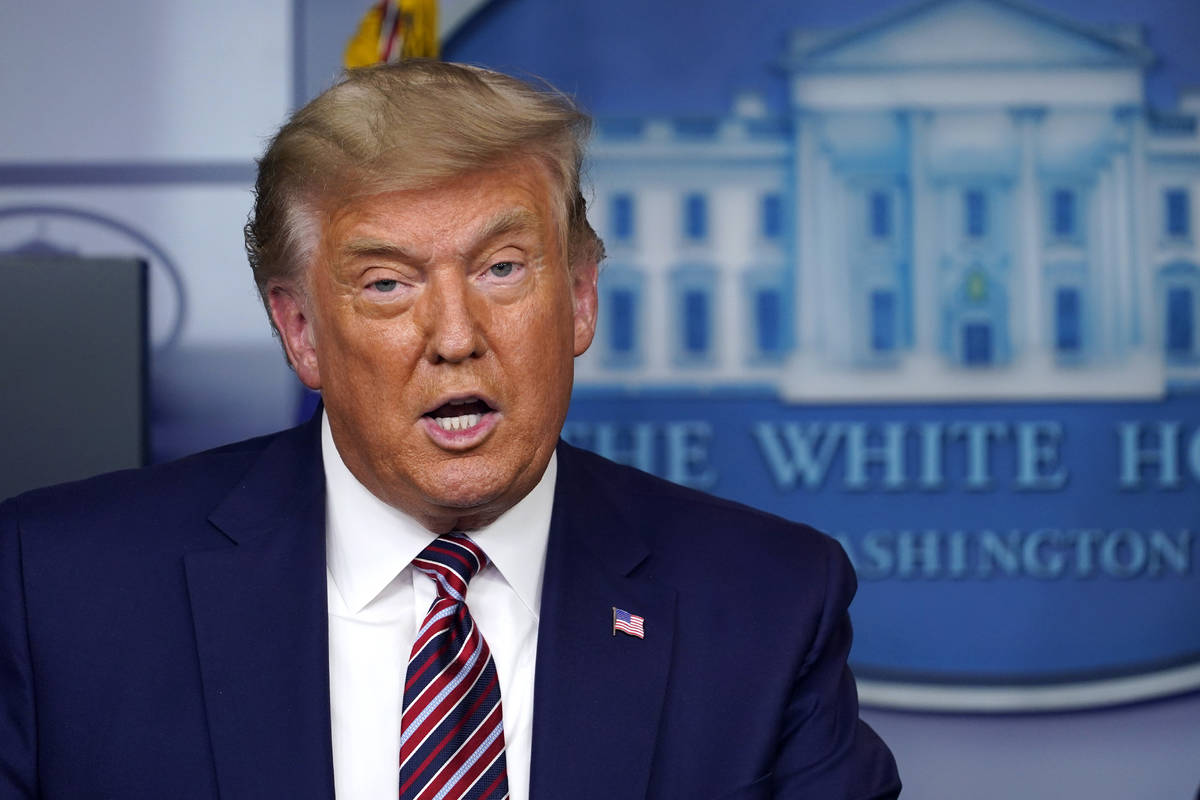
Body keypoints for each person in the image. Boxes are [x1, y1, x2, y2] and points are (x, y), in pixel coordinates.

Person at [0, 60, 900, 799]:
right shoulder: (59, 591)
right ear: (300, 330)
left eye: (503, 269)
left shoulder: (767, 604)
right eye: (388, 283)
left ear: (581, 298)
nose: (458, 337)